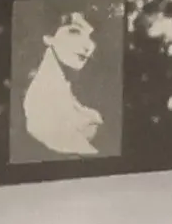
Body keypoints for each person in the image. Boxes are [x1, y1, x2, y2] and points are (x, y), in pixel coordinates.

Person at [20, 9, 107, 157]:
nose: (87, 46)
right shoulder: (41, 100)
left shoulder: (67, 89)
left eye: (90, 36)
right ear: (48, 38)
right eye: (74, 32)